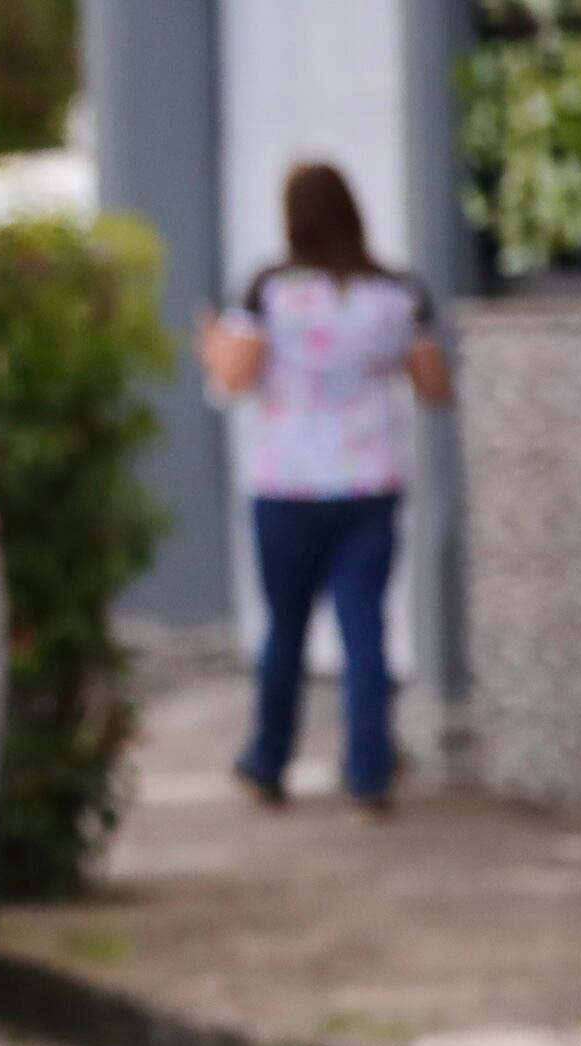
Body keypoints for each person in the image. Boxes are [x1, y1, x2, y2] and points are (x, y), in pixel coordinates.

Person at [199, 161, 455, 817]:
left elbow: (234, 378)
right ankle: (370, 771)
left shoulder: (268, 290)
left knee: (285, 628)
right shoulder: (397, 293)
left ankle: (268, 760)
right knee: (364, 628)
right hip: (368, 483)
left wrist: (210, 345)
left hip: (287, 486)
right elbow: (433, 387)